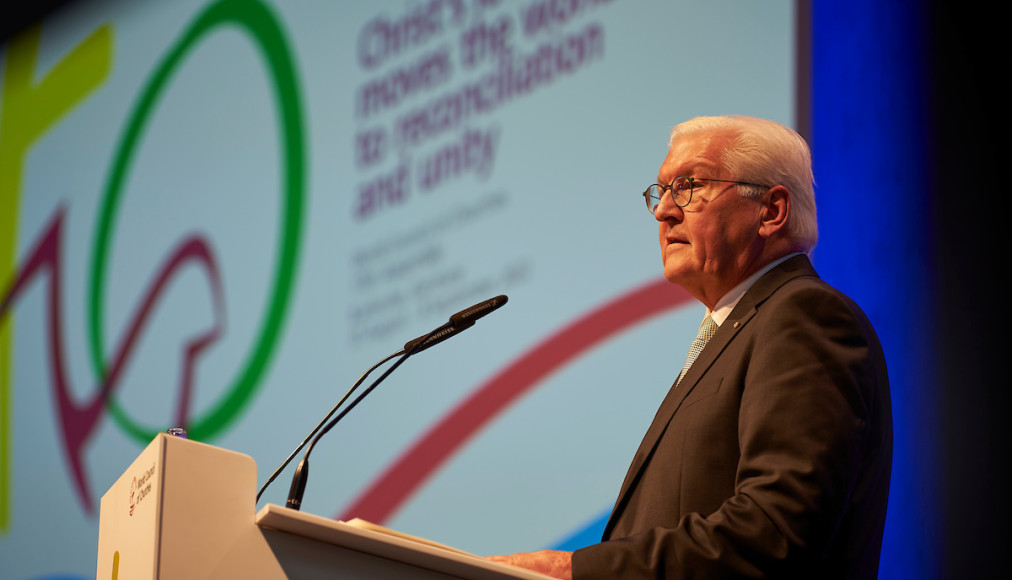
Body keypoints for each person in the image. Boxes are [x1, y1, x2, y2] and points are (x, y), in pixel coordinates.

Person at [486, 115, 892, 579]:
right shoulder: (734, 330)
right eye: (662, 191)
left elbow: (776, 531)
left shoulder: (804, 316)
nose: (664, 212)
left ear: (771, 210)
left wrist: (577, 571)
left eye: (690, 185)